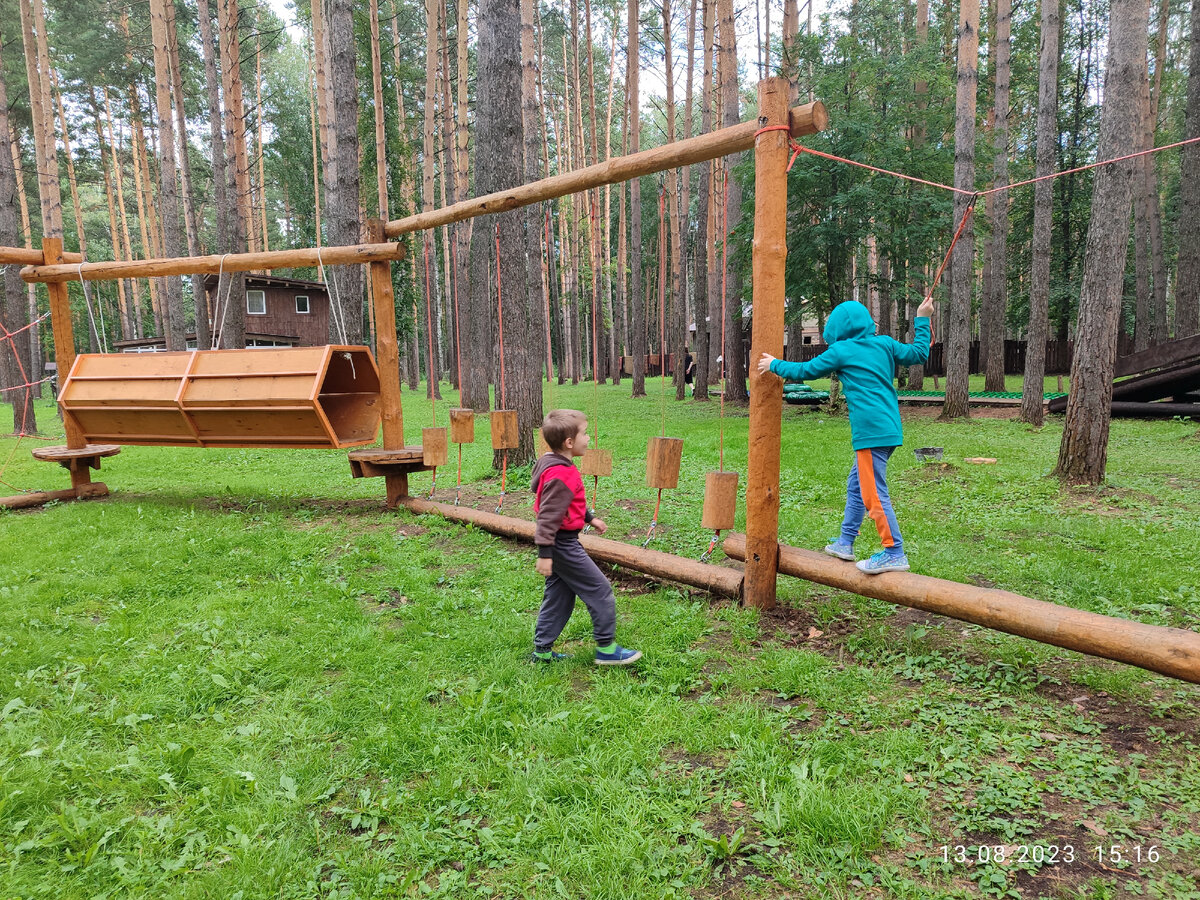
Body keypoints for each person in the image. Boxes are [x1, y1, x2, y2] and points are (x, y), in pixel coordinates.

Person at [757, 297, 934, 574]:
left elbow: (806, 371)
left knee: (873, 492)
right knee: (857, 485)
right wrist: (922, 318)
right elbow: (919, 353)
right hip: (888, 429)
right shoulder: (885, 343)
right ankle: (845, 542)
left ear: (836, 329)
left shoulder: (841, 350)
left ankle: (894, 552)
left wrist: (774, 364)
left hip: (870, 433)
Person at [530, 409, 642, 664]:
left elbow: (566, 503)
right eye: (585, 433)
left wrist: (589, 518)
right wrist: (545, 554)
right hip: (562, 543)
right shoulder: (563, 474)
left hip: (559, 542)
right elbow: (548, 515)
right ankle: (606, 650)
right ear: (569, 442)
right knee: (600, 590)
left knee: (559, 596)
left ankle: (542, 651)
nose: (589, 438)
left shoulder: (551, 462)